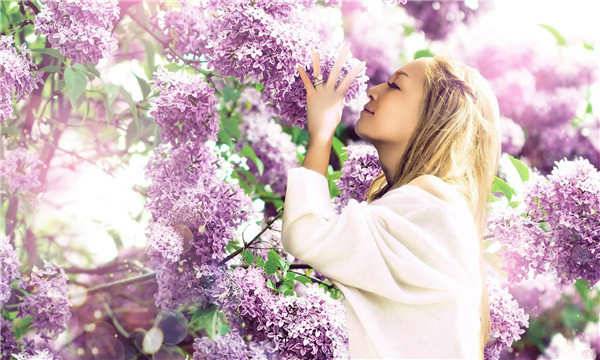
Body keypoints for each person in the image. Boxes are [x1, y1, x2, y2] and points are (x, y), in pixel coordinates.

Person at [283, 43, 500, 359]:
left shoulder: (434, 205)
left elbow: (308, 233)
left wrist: (321, 136)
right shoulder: (428, 207)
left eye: (396, 85)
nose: (373, 90)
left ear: (434, 117)